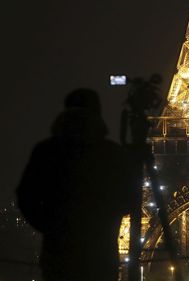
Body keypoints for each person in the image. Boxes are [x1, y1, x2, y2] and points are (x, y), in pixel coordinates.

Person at [17, 89, 138, 281]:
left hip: (59, 255)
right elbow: (132, 198)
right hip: (101, 254)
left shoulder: (46, 151)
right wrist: (104, 223)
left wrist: (52, 227)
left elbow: (26, 196)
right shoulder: (112, 153)